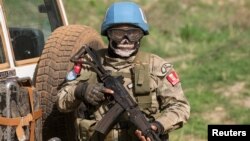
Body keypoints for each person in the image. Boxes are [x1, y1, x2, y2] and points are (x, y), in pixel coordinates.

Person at [57, 1, 190, 141]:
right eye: (118, 33)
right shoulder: (89, 63)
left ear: (142, 35)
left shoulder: (156, 67)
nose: (125, 40)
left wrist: (158, 126)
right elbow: (61, 101)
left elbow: (180, 107)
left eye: (133, 34)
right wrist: (81, 91)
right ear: (108, 34)